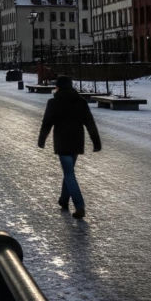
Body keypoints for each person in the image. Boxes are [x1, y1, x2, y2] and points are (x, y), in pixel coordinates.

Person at [37, 75, 101, 219]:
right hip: (77, 141)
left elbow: (47, 123)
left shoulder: (54, 102)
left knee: (69, 173)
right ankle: (63, 200)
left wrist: (42, 140)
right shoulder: (80, 101)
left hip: (62, 142)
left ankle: (79, 206)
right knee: (69, 170)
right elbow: (90, 123)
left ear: (58, 87)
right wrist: (96, 141)